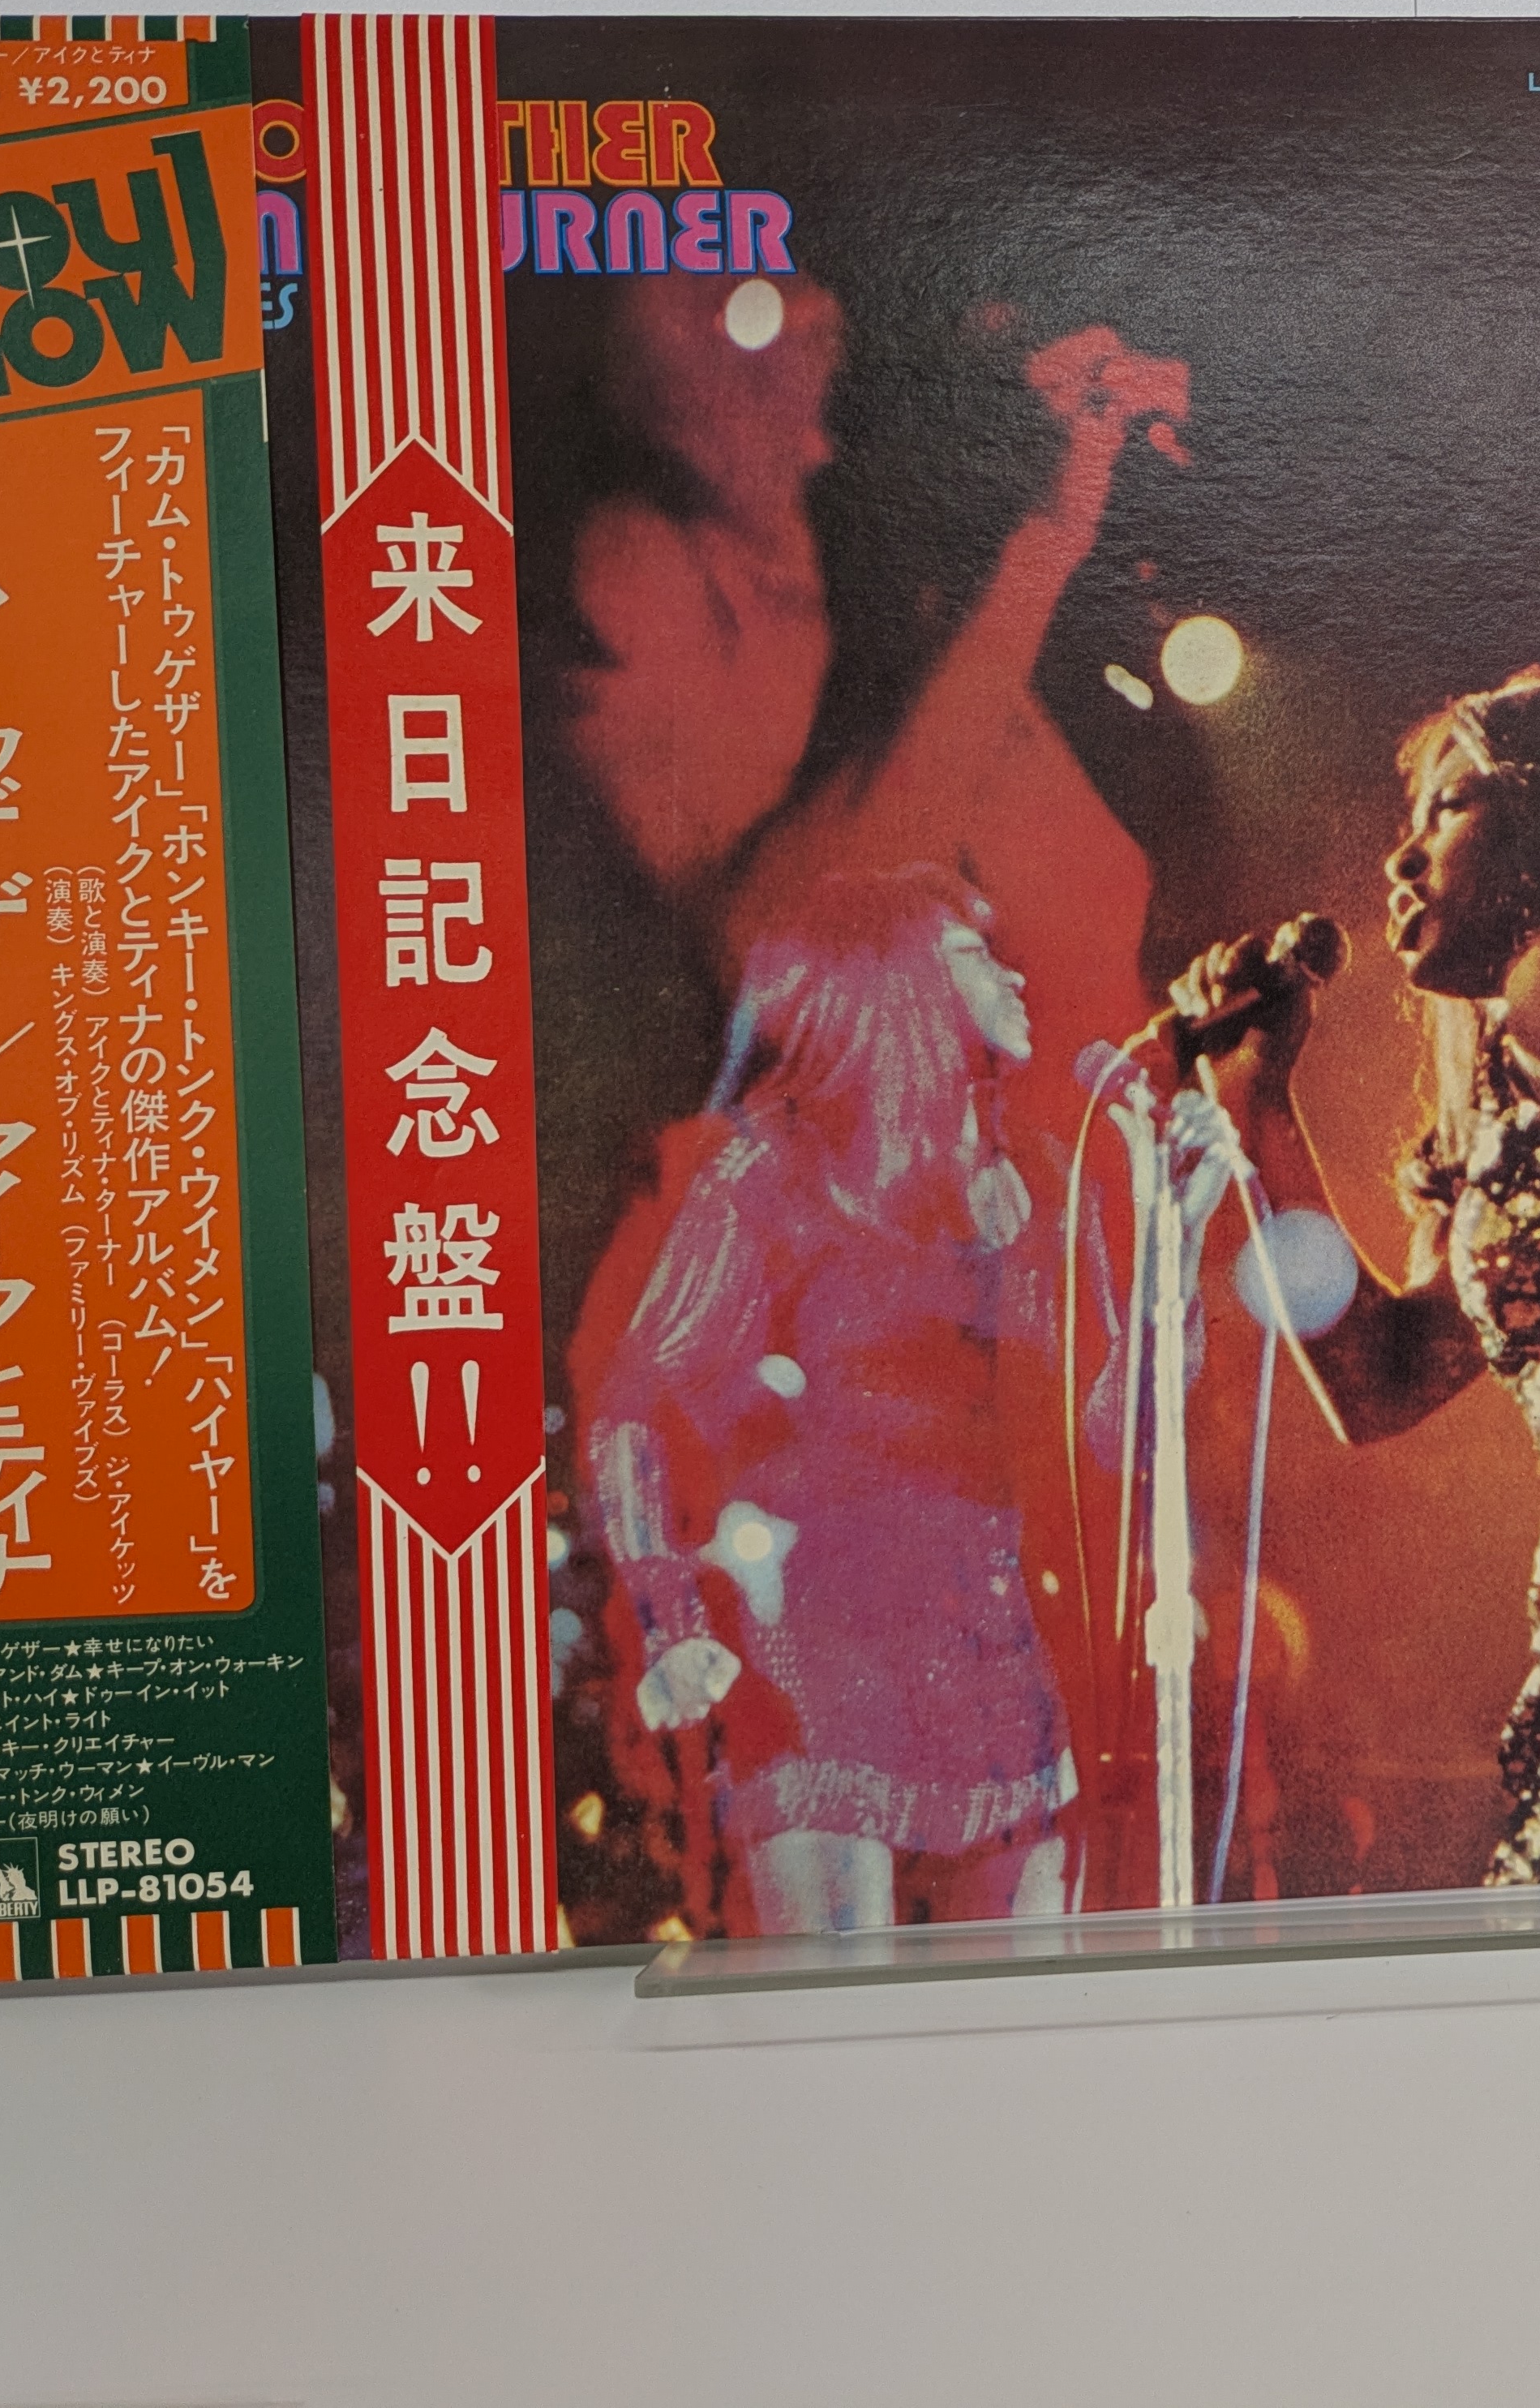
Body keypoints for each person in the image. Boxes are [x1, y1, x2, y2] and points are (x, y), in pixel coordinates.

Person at [551, 273, 1199, 1931]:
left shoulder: (1003, 1158)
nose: (809, 407)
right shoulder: (779, 1128)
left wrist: (1161, 1240)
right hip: (818, 1616)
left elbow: (1103, 1410)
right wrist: (670, 1613)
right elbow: (639, 1397)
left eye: (825, 358)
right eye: (763, 353)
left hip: (986, 1620)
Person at [1169, 667, 1540, 1883]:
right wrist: (1257, 1109)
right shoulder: (1512, 1070)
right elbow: (1379, 1379)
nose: (1401, 860)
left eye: (1448, 808)